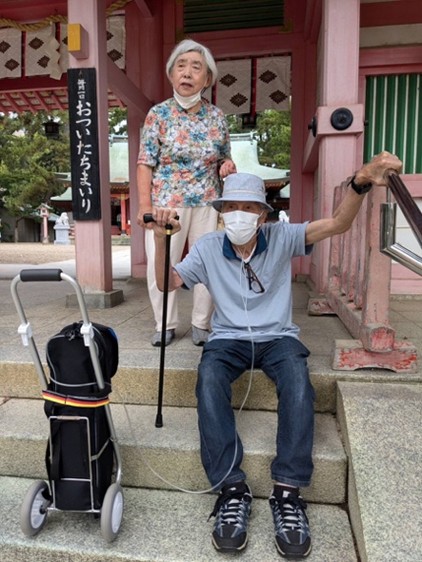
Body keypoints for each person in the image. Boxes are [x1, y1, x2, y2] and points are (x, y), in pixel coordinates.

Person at [149, 151, 402, 558]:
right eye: (231, 207)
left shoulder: (283, 237)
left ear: (263, 215)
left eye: (249, 208)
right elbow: (168, 283)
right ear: (221, 213)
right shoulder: (209, 246)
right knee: (209, 378)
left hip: (278, 336)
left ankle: (288, 490)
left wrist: (361, 181)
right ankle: (231, 488)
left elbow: (337, 223)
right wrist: (161, 238)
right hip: (227, 338)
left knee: (298, 382)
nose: (239, 215)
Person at [137, 39, 236, 348]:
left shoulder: (217, 117)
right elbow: (145, 162)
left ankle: (201, 324)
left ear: (207, 78)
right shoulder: (157, 115)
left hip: (208, 201)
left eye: (196, 67)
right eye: (181, 66)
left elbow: (224, 158)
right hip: (167, 204)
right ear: (171, 74)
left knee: (208, 262)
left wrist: (227, 165)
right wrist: (144, 205)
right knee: (161, 261)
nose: (187, 73)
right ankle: (164, 323)